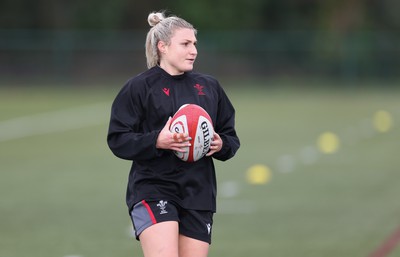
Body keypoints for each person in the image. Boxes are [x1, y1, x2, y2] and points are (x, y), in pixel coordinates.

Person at [107, 11, 240, 257]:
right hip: (153, 187)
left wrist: (221, 144)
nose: (194, 51)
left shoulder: (209, 87)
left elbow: (231, 138)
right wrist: (157, 140)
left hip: (198, 193)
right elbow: (118, 138)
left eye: (195, 44)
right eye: (185, 44)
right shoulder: (139, 87)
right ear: (163, 46)